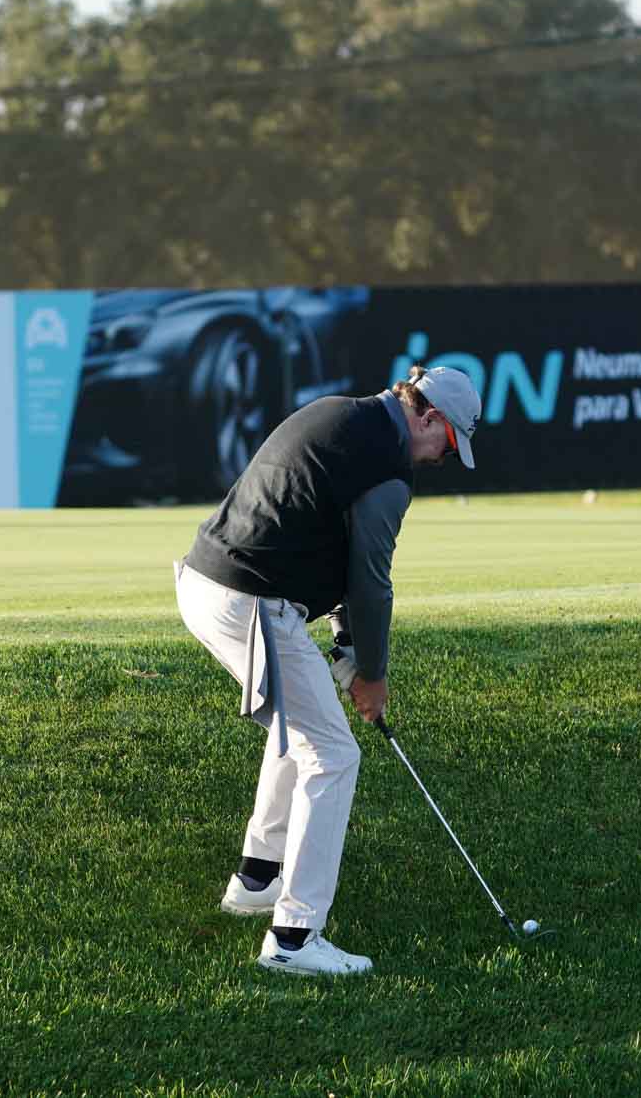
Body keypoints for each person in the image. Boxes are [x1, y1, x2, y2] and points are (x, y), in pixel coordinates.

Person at [173, 365, 481, 976]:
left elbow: (327, 548)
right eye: (446, 445)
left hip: (204, 584)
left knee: (304, 729)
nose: (437, 460)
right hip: (251, 600)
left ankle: (257, 879)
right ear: (427, 415)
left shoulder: (344, 414)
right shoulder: (388, 467)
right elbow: (371, 582)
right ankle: (293, 938)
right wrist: (373, 673)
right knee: (334, 755)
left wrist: (345, 649)